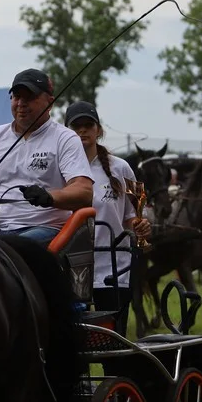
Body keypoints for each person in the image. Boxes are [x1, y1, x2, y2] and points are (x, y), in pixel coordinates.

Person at [0, 68, 93, 245]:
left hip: (45, 228)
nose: (21, 103)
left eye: (29, 97)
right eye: (17, 97)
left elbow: (84, 191)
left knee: (9, 249)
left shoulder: (65, 138)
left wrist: (49, 197)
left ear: (50, 102)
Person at [65, 101, 150, 311]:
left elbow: (133, 214)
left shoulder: (121, 168)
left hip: (114, 266)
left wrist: (141, 225)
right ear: (66, 133)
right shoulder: (59, 167)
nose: (83, 130)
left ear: (99, 130)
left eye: (88, 124)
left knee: (113, 333)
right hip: (70, 266)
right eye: (76, 126)